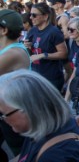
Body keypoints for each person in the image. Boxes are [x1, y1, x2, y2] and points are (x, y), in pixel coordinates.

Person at [0, 70, 79, 162]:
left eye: (4, 114)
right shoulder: (46, 127)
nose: (4, 119)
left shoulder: (53, 156)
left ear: (29, 110)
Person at [0, 10, 31, 161]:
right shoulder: (6, 50)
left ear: (4, 30)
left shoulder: (13, 53)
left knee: (23, 153)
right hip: (6, 109)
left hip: (16, 112)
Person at [24, 3, 68, 91]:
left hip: (51, 78)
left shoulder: (54, 32)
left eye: (34, 15)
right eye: (30, 14)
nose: (31, 18)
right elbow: (31, 53)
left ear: (45, 16)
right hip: (35, 75)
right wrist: (27, 46)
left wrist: (43, 55)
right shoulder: (33, 30)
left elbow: (64, 54)